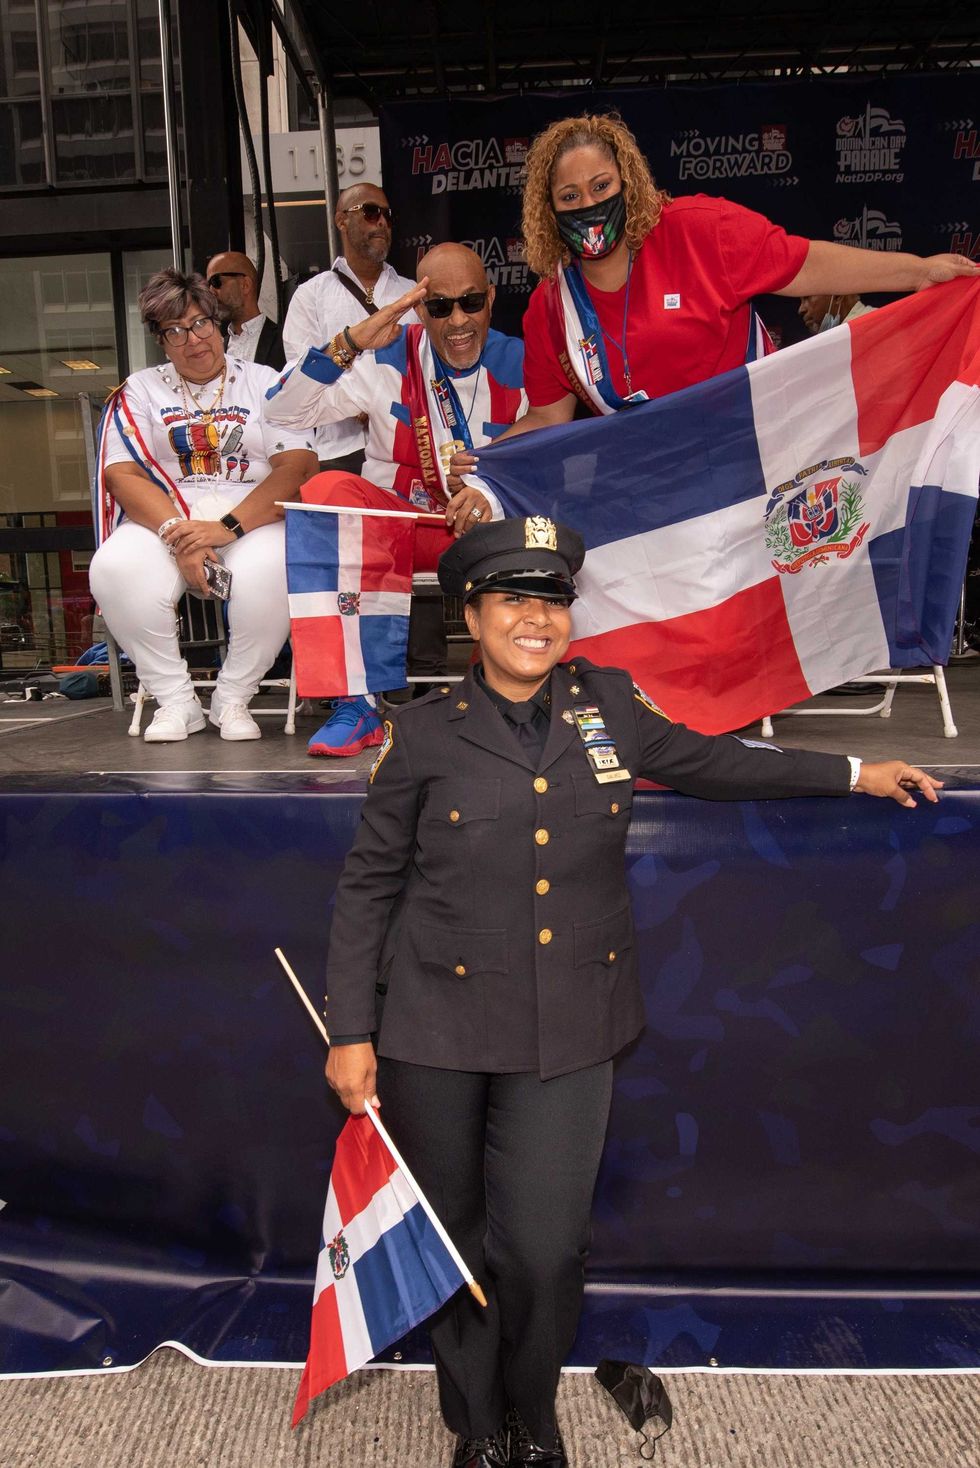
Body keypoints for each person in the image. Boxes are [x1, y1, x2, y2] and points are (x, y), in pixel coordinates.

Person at [322, 515, 941, 1468]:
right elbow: (369, 884)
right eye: (515, 600)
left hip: (574, 1020)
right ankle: (478, 1425)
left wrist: (856, 771)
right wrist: (351, 1030)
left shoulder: (607, 701)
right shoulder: (424, 733)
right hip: (433, 1026)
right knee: (451, 1242)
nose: (539, 618)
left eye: (553, 601)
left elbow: (714, 762)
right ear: (473, 616)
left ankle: (534, 1410)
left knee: (543, 1247)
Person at [463, 111, 978, 448]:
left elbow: (806, 265)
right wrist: (485, 464)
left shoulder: (700, 231)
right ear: (548, 210)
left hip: (758, 449)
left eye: (602, 186)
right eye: (570, 196)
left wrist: (919, 271)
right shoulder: (552, 307)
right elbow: (551, 419)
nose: (590, 205)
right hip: (660, 484)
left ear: (629, 184)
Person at [265, 242, 526, 757]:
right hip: (404, 530)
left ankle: (506, 696)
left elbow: (555, 451)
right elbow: (282, 413)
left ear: (491, 299)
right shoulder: (385, 354)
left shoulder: (523, 359)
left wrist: (492, 494)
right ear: (417, 308)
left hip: (492, 532)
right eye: (439, 306)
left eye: (471, 302)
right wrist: (351, 341)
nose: (457, 320)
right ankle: (356, 704)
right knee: (325, 493)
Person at [89, 267, 317, 743]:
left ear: (218, 323)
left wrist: (225, 529)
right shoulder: (140, 391)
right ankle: (176, 701)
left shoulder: (265, 381)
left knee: (275, 567)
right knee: (113, 567)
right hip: (165, 520)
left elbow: (296, 469)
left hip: (251, 519)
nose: (192, 340)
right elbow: (121, 475)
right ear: (160, 340)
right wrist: (181, 534)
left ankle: (233, 696)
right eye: (174, 331)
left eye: (199, 324)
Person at [282, 182, 416, 473]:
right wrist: (360, 403)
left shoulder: (413, 293)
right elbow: (300, 373)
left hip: (411, 452)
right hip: (340, 454)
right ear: (342, 220)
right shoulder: (311, 295)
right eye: (370, 212)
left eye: (387, 215)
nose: (381, 221)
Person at [205, 250, 286, 369]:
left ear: (245, 285)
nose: (211, 291)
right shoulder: (216, 349)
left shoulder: (285, 341)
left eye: (216, 282)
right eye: (209, 285)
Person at [798, 291, 875, 335]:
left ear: (838, 296)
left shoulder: (877, 325)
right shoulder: (835, 337)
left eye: (807, 298)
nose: (801, 310)